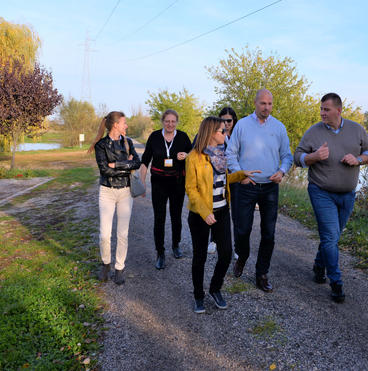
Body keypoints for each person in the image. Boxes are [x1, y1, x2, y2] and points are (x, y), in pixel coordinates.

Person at [294, 93, 368, 303]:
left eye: (326, 109)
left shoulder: (357, 130)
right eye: (321, 109)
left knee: (332, 237)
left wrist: (359, 159)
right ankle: (336, 282)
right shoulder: (314, 132)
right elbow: (297, 157)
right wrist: (313, 157)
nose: (322, 113)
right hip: (321, 191)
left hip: (347, 194)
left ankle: (319, 265)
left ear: (339, 110)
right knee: (329, 237)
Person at [186, 116, 260, 313]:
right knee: (199, 257)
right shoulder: (193, 157)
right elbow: (191, 190)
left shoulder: (220, 154)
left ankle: (215, 288)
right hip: (200, 215)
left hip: (221, 211)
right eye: (222, 131)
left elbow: (223, 179)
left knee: (226, 254)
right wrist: (204, 212)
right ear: (211, 133)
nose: (225, 134)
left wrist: (241, 174)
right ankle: (198, 296)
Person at [226, 89, 293, 292]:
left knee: (269, 234)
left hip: (270, 187)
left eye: (270, 104)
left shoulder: (279, 128)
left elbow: (287, 156)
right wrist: (240, 174)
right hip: (247, 186)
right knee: (242, 229)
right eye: (263, 103)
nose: (267, 107)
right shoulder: (243, 126)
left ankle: (261, 273)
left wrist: (282, 171)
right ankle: (242, 257)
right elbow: (231, 154)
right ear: (256, 103)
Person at [140, 109, 192, 269]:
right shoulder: (154, 137)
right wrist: (142, 183)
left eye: (173, 121)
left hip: (177, 182)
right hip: (158, 183)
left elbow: (194, 156)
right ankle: (160, 252)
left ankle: (176, 245)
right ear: (163, 121)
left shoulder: (183, 137)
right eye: (167, 121)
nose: (170, 124)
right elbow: (144, 162)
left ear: (177, 122)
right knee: (159, 218)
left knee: (176, 216)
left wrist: (187, 156)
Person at [94, 111, 141, 284]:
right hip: (107, 191)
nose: (126, 126)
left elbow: (137, 162)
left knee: (123, 233)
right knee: (104, 235)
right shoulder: (100, 145)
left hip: (125, 192)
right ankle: (106, 264)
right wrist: (126, 165)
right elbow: (105, 170)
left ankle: (119, 268)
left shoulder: (128, 143)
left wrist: (118, 165)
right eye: (124, 123)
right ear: (115, 125)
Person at [208, 107, 239, 254]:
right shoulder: (216, 135)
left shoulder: (238, 136)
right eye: (223, 120)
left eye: (229, 120)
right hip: (218, 180)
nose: (226, 123)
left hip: (235, 178)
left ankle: (235, 247)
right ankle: (213, 240)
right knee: (218, 209)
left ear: (234, 121)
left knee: (236, 214)